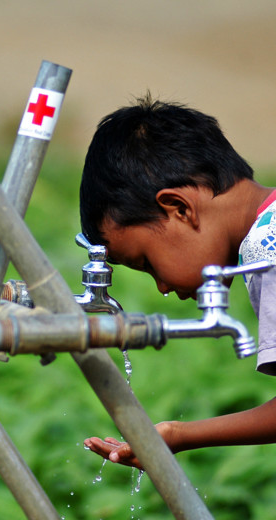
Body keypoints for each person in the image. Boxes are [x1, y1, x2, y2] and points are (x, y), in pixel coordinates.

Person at [79, 92, 276, 470]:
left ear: (180, 208)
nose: (162, 288)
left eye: (146, 262)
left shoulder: (266, 251)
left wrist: (178, 435)